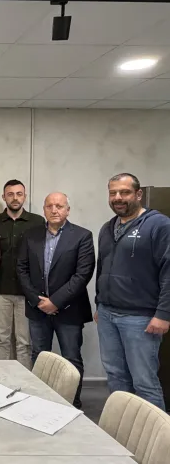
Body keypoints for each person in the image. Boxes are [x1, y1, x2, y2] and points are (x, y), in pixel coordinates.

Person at [95, 173, 170, 411]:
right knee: (115, 376)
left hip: (140, 318)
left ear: (138, 194)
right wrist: (99, 303)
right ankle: (123, 427)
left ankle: (156, 433)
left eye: (124, 192)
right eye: (113, 193)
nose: (118, 197)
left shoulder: (159, 225)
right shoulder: (108, 228)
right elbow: (102, 269)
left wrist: (163, 314)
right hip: (107, 314)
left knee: (144, 382)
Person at [17, 192, 95, 408]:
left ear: (67, 210)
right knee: (39, 356)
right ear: (44, 209)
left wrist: (55, 302)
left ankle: (72, 402)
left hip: (70, 309)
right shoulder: (30, 235)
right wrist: (38, 301)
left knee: (71, 357)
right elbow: (21, 269)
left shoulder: (82, 236)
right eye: (49, 206)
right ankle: (42, 400)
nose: (54, 210)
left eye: (59, 206)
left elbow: (83, 274)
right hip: (37, 309)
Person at [0, 180, 44, 369]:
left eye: (19, 194)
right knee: (1, 339)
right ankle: (2, 379)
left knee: (24, 342)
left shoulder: (38, 222)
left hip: (27, 292)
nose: (15, 198)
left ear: (25, 196)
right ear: (4, 197)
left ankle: (24, 381)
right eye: (10, 194)